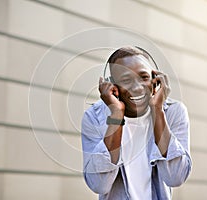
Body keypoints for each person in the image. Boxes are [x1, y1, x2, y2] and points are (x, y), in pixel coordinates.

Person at [81, 46, 192, 200]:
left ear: (156, 80)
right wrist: (116, 115)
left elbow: (175, 177)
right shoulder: (93, 117)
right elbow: (99, 184)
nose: (137, 87)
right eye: (126, 80)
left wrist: (157, 111)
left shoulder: (174, 112)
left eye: (144, 77)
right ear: (113, 85)